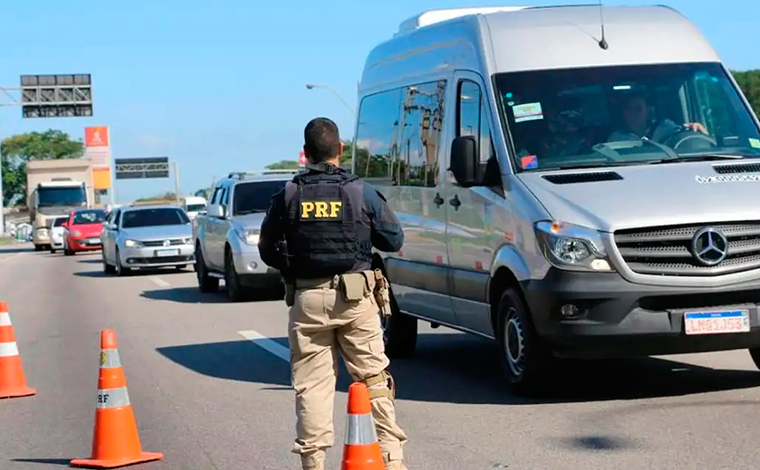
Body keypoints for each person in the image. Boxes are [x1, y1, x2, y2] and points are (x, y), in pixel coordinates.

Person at [258, 117, 409, 470]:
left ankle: (313, 463)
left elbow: (267, 250)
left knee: (312, 386)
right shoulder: (360, 191)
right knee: (373, 379)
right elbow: (394, 240)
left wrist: (296, 262)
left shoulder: (288, 194)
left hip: (307, 300)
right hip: (356, 298)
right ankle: (392, 460)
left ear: (305, 153)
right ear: (340, 149)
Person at [608, 89, 708, 143]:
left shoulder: (665, 127)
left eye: (638, 109)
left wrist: (697, 129)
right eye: (629, 109)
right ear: (624, 112)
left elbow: (684, 137)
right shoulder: (616, 138)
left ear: (648, 111)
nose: (633, 113)